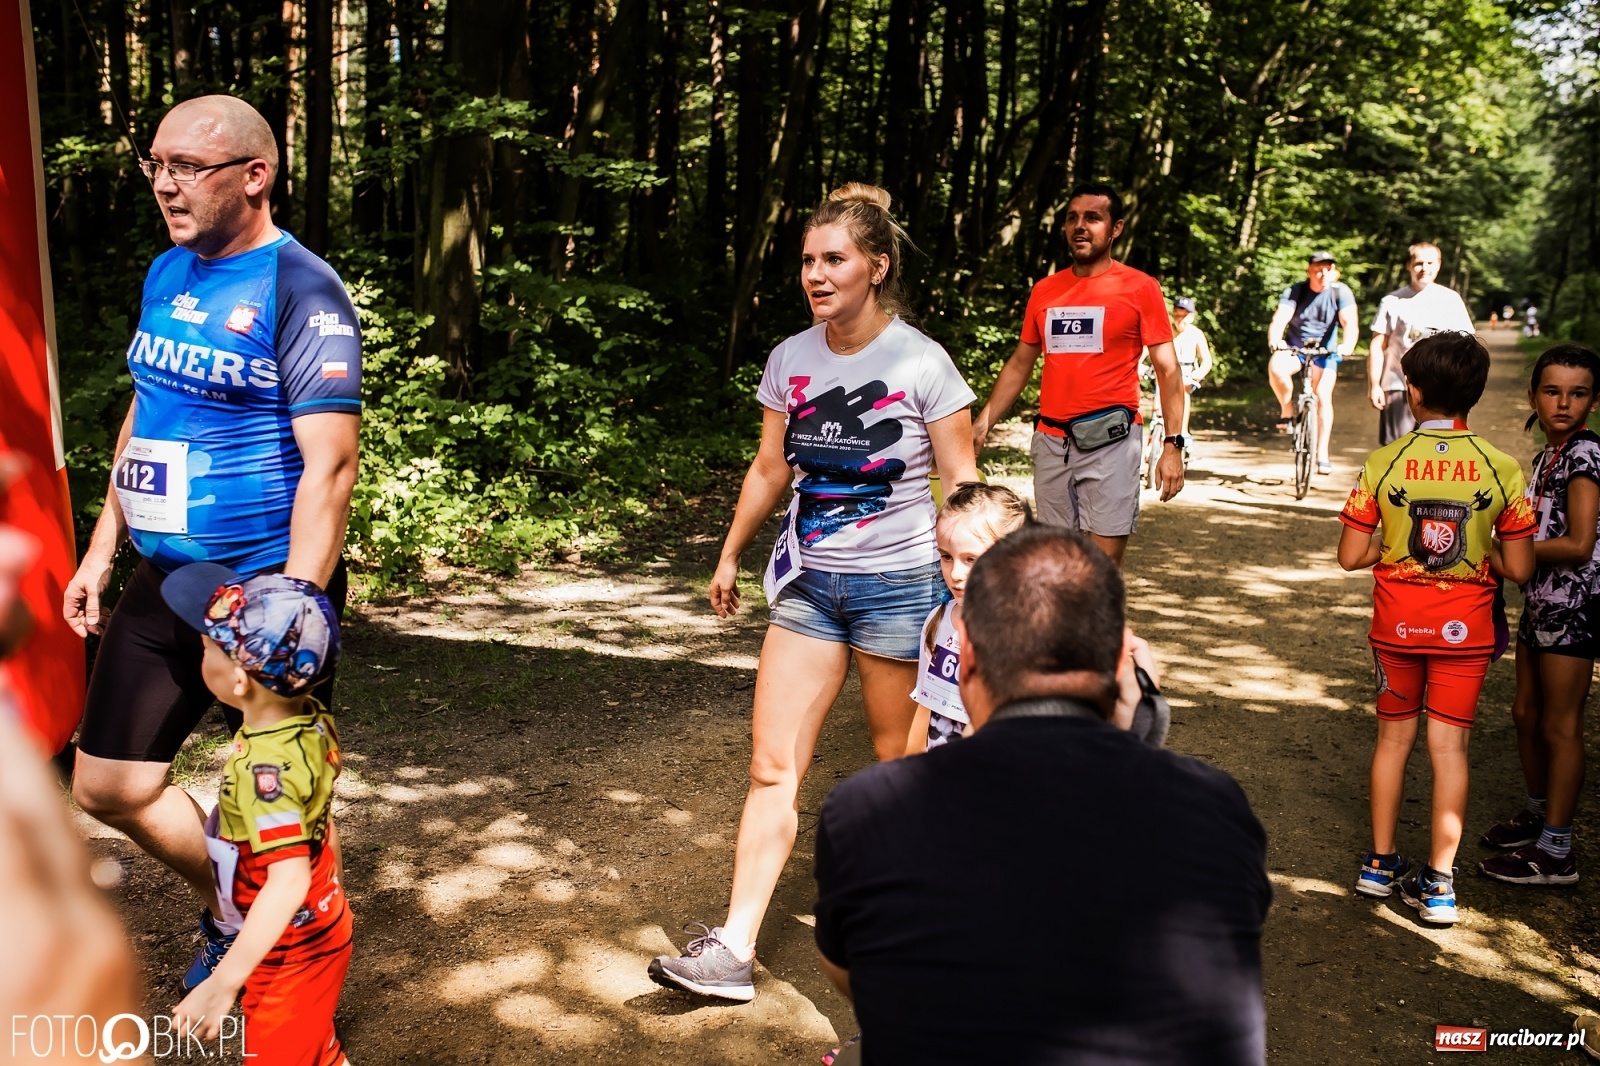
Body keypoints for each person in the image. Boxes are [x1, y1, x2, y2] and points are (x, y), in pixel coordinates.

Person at [646, 183, 980, 1002]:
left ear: (877, 266)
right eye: (807, 261)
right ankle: (733, 950)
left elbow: (963, 483)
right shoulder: (790, 359)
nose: (817, 275)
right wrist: (730, 552)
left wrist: (974, 585)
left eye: (834, 259)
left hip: (899, 587)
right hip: (808, 588)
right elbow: (771, 467)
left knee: (900, 769)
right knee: (771, 768)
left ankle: (925, 939)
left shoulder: (922, 363)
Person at [61, 94, 362, 990]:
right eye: (155, 164)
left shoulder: (302, 288)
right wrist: (101, 548)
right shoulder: (168, 271)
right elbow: (148, 409)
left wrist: (290, 611)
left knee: (284, 807)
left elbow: (332, 466)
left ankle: (299, 988)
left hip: (262, 592)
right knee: (107, 787)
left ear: (255, 175)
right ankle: (238, 914)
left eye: (187, 166)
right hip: (164, 577)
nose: (164, 184)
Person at [811, 524, 1271, 1063]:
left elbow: (858, 974)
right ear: (1121, 666)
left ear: (967, 660)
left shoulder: (868, 809)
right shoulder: (1214, 807)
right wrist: (1138, 731)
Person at [1339, 331, 1537, 924]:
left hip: (1396, 626)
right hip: (1464, 632)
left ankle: (1379, 865)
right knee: (1449, 749)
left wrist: (1396, 547)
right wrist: (1476, 551)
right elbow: (1520, 568)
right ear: (1475, 393)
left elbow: (1350, 556)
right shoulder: (1502, 468)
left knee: (1392, 741)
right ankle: (1440, 886)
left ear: (1414, 391)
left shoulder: (1383, 463)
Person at [161, 564, 353, 1065]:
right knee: (315, 1050)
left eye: (207, 647)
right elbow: (318, 815)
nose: (199, 651)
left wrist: (224, 983)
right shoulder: (308, 717)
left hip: (291, 947)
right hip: (314, 921)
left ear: (239, 679)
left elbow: (287, 882)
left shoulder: (267, 774)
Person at [970, 183, 1186, 566]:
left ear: (1116, 228)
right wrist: (983, 423)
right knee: (1056, 565)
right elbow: (1020, 363)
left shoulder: (1140, 288)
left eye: (1092, 217)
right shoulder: (1045, 290)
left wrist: (1172, 445)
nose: (1080, 226)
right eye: (1072, 218)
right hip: (1052, 443)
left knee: (1101, 569)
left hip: (1112, 442)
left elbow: (1168, 371)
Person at [1479, 345, 1600, 886]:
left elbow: (1578, 543)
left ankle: (1556, 851)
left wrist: (1501, 552)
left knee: (1559, 724)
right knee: (1525, 713)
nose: (1563, 403)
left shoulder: (1585, 456)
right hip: (1541, 602)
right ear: (1533, 396)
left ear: (1594, 401)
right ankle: (1537, 812)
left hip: (1575, 606)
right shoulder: (1549, 454)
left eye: (1578, 393)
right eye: (1552, 391)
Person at [910, 483, 1031, 750]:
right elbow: (925, 702)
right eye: (946, 557)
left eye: (971, 559)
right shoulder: (937, 621)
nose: (955, 574)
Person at [1367, 242, 1475, 445]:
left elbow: (1466, 347)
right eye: (1418, 263)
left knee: (1437, 449)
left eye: (1430, 263)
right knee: (1396, 449)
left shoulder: (1451, 300)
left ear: (1439, 265)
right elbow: (1377, 345)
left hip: (1442, 388)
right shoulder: (1392, 301)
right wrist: (1375, 385)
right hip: (1399, 386)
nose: (1424, 268)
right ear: (1409, 265)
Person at [1267, 251, 1359, 474]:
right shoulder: (1296, 291)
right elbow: (1280, 318)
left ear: (1333, 271)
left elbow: (1350, 323)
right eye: (1318, 269)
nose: (1323, 273)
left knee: (1323, 396)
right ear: (1309, 270)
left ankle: (1322, 453)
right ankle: (1287, 411)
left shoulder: (1341, 292)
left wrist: (1348, 345)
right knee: (1276, 368)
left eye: (1328, 268)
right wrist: (1275, 339)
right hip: (1295, 349)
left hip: (1326, 352)